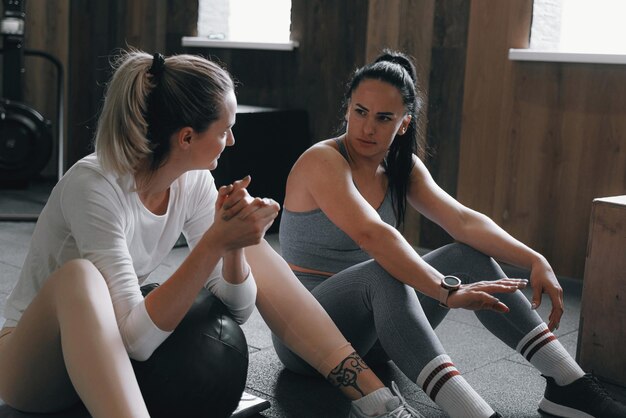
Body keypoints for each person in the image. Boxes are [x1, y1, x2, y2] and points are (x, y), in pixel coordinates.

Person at [0, 49, 439, 418]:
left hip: (108, 359)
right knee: (82, 277)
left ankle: (370, 395)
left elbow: (236, 309)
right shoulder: (93, 185)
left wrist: (232, 247)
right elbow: (135, 339)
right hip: (32, 369)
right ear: (187, 137)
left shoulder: (190, 180)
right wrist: (215, 241)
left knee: (252, 246)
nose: (231, 141)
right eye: (225, 129)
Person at [274, 49, 626, 418]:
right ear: (347, 108)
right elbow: (374, 235)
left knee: (465, 254)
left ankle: (569, 385)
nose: (367, 127)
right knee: (383, 268)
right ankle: (472, 412)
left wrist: (534, 259)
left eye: (383, 118)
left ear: (404, 124)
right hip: (307, 338)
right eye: (360, 111)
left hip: (376, 336)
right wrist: (446, 290)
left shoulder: (400, 167)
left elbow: (463, 221)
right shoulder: (322, 160)